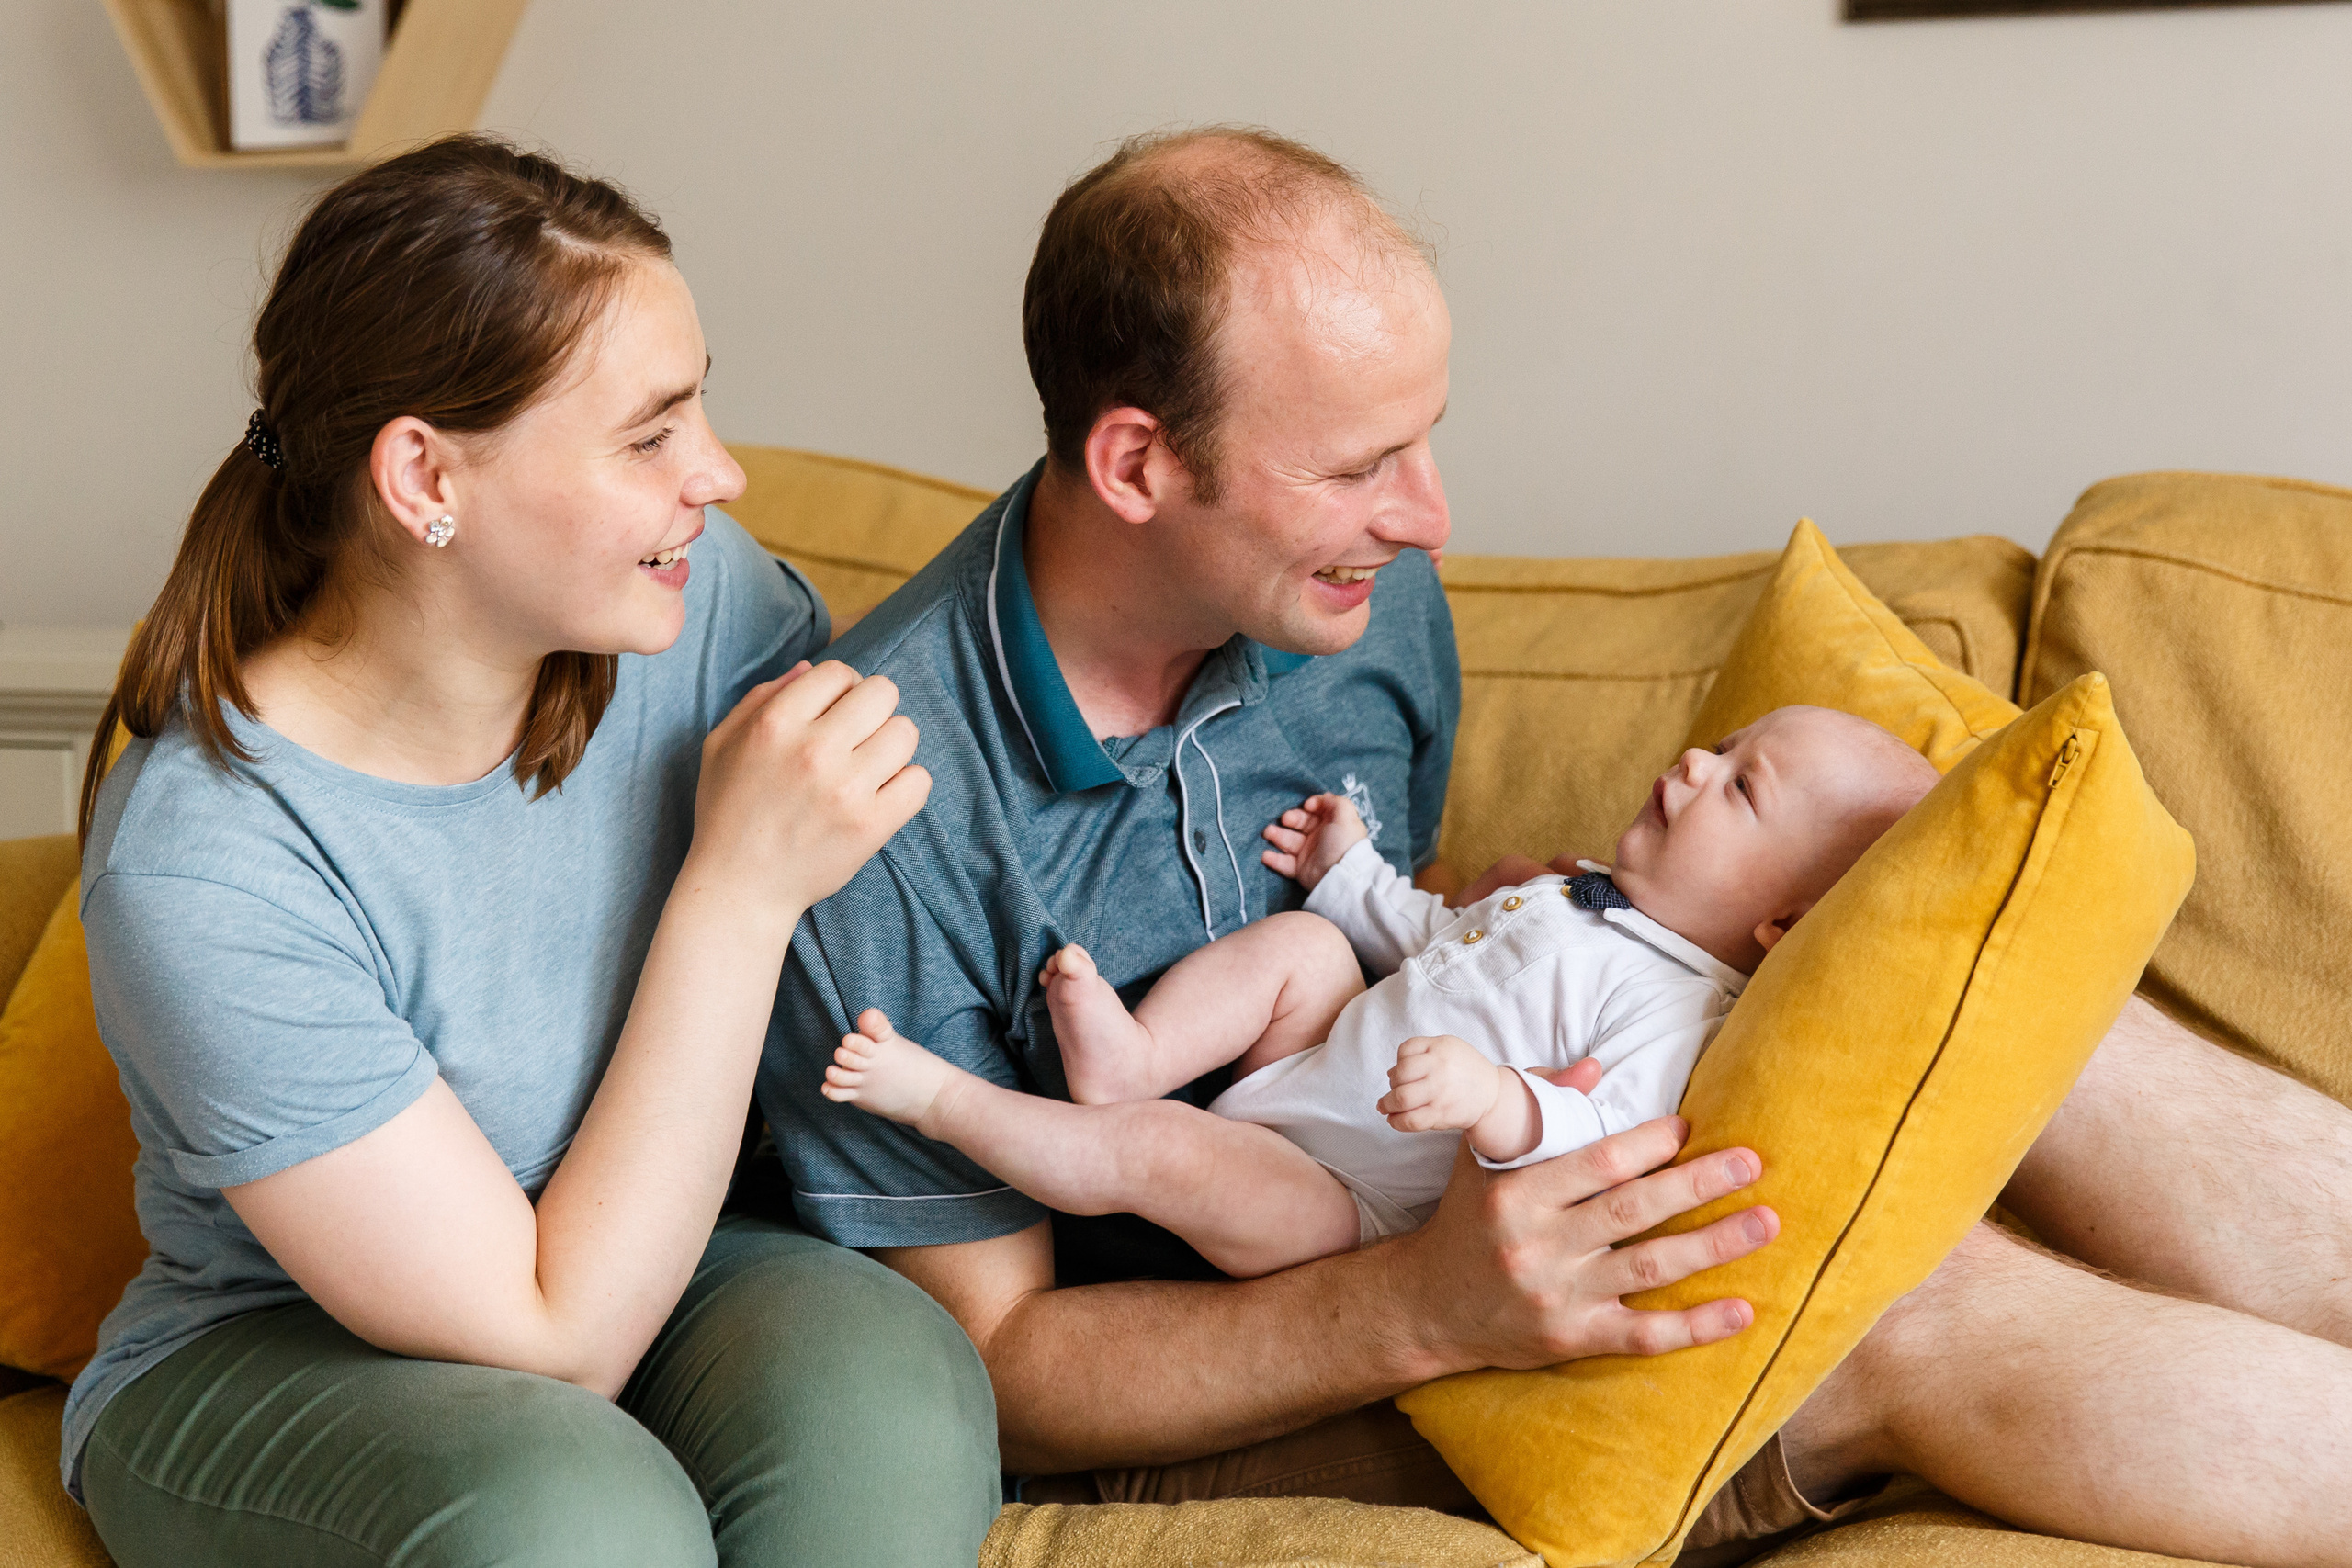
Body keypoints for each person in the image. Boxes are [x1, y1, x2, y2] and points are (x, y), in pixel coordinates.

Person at [761, 125, 2352, 1568]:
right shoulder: (873, 805)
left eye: (1424, 440)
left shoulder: (1365, 611)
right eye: (1359, 467)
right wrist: (1419, 1304)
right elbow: (1000, 1369)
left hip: (1442, 1144)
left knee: (1994, 983)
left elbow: (1403, 953)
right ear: (1137, 464)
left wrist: (1505, 917)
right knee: (1878, 1294)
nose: (1430, 518)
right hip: (1247, 1339)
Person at [64, 136, 997, 1568]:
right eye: (650, 436)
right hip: (273, 1348)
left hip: (655, 1248)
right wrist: (738, 893)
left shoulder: (689, 603)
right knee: (570, 1516)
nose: (721, 472)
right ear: (424, 476)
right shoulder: (206, 865)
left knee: (889, 1383)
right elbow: (556, 1337)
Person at [821, 707, 1937, 1280]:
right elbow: (1438, 943)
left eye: (1740, 787)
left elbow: (1607, 1133)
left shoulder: (1680, 1010)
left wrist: (1494, 1100)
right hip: (1311, 1069)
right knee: (1309, 948)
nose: (1694, 763)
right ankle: (1135, 1059)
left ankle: (941, 1102)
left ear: (1778, 928)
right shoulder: (1584, 896)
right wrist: (1349, 874)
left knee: (1162, 1149)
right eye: (1722, 745)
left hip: (1337, 1198)